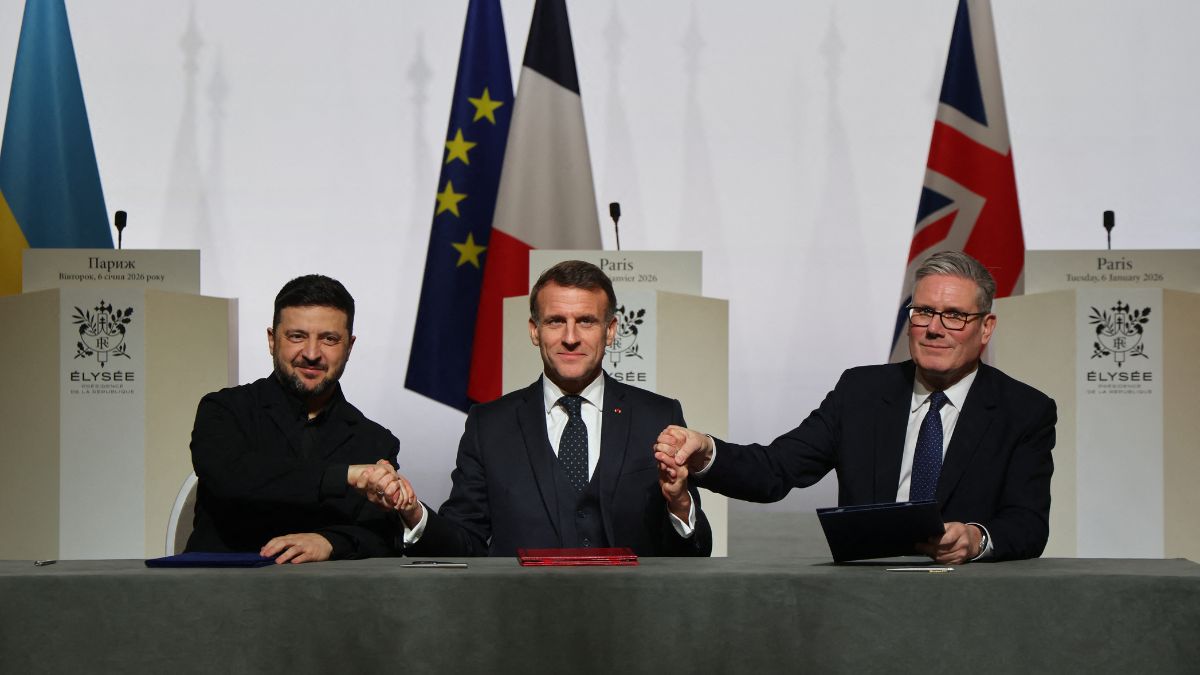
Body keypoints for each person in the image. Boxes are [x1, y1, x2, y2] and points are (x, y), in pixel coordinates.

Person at [656, 250, 1055, 563]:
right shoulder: (861, 392)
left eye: (954, 316)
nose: (934, 328)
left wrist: (977, 538)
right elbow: (775, 470)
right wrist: (707, 450)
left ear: (986, 327)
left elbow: (1028, 524)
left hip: (969, 601)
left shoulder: (1023, 411)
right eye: (924, 312)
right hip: (865, 599)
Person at [363, 260, 712, 556]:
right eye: (555, 321)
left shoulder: (658, 416)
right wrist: (412, 513)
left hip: (634, 625)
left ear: (611, 331)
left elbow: (696, 552)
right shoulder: (489, 425)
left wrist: (680, 504)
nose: (570, 337)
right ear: (534, 330)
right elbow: (464, 541)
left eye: (586, 321)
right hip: (521, 625)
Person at [186, 274, 401, 563]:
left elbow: (384, 535)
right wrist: (342, 476)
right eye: (297, 336)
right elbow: (234, 478)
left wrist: (330, 542)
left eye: (329, 339)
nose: (312, 354)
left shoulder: (375, 442)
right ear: (272, 340)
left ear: (349, 348)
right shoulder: (224, 410)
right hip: (221, 594)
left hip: (331, 603)